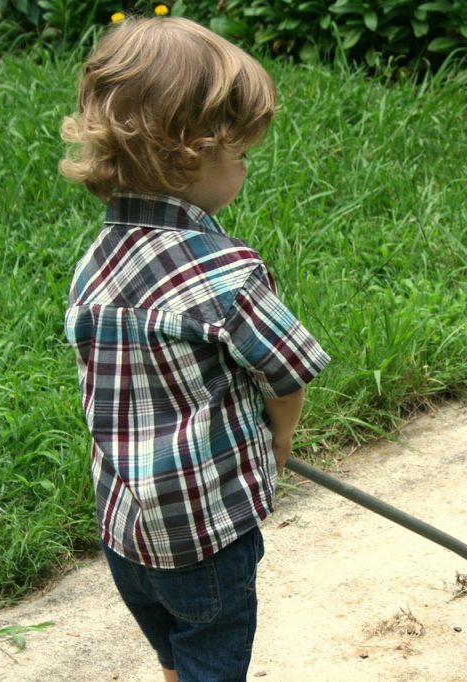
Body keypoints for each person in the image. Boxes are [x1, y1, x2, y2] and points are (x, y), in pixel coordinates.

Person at [60, 15, 330, 682]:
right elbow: (288, 374)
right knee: (212, 651)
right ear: (188, 153)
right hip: (205, 536)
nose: (243, 168)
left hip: (125, 529)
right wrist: (281, 439)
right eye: (238, 155)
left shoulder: (94, 262)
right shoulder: (226, 273)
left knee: (176, 652)